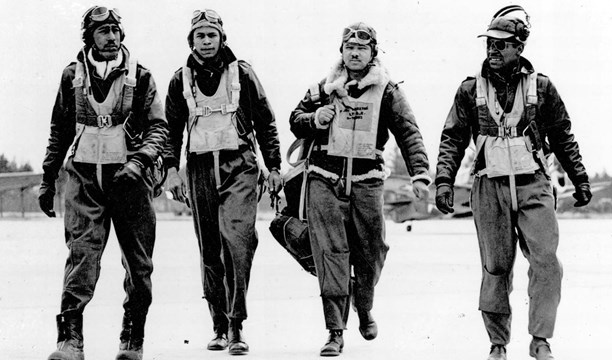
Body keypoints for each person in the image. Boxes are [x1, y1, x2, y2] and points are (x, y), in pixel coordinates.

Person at [434, 5, 592, 360]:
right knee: (496, 268)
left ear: (519, 47)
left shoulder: (542, 88)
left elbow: (563, 136)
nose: (493, 49)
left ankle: (540, 340)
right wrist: (443, 180)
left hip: (533, 185)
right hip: (489, 187)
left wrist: (579, 179)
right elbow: (452, 138)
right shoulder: (469, 90)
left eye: (502, 44)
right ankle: (498, 344)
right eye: (489, 43)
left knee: (547, 261)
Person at [290, 22, 430, 357]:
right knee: (331, 253)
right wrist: (314, 119)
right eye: (349, 47)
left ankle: (364, 306)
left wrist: (421, 174)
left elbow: (409, 133)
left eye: (362, 48)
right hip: (325, 178)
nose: (354, 53)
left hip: (368, 182)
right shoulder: (323, 88)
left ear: (372, 53)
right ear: (341, 51)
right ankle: (335, 331)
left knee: (372, 252)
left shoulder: (388, 91)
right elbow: (295, 118)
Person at [38, 6, 168, 360]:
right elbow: (59, 131)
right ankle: (70, 341)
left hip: (130, 183)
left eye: (115, 30)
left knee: (139, 267)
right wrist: (48, 179)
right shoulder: (72, 76)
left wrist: (139, 162)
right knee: (82, 257)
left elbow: (159, 128)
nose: (111, 37)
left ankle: (132, 339)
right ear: (89, 38)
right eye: (102, 31)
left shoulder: (140, 77)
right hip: (84, 180)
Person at [163, 9, 281, 356]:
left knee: (238, 241)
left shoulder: (242, 73)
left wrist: (273, 166)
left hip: (239, 165)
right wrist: (171, 169)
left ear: (222, 38)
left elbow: (266, 120)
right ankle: (217, 323)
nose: (206, 41)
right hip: (199, 167)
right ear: (192, 41)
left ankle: (236, 324)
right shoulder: (179, 79)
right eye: (200, 36)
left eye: (212, 35)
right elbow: (170, 130)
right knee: (209, 247)